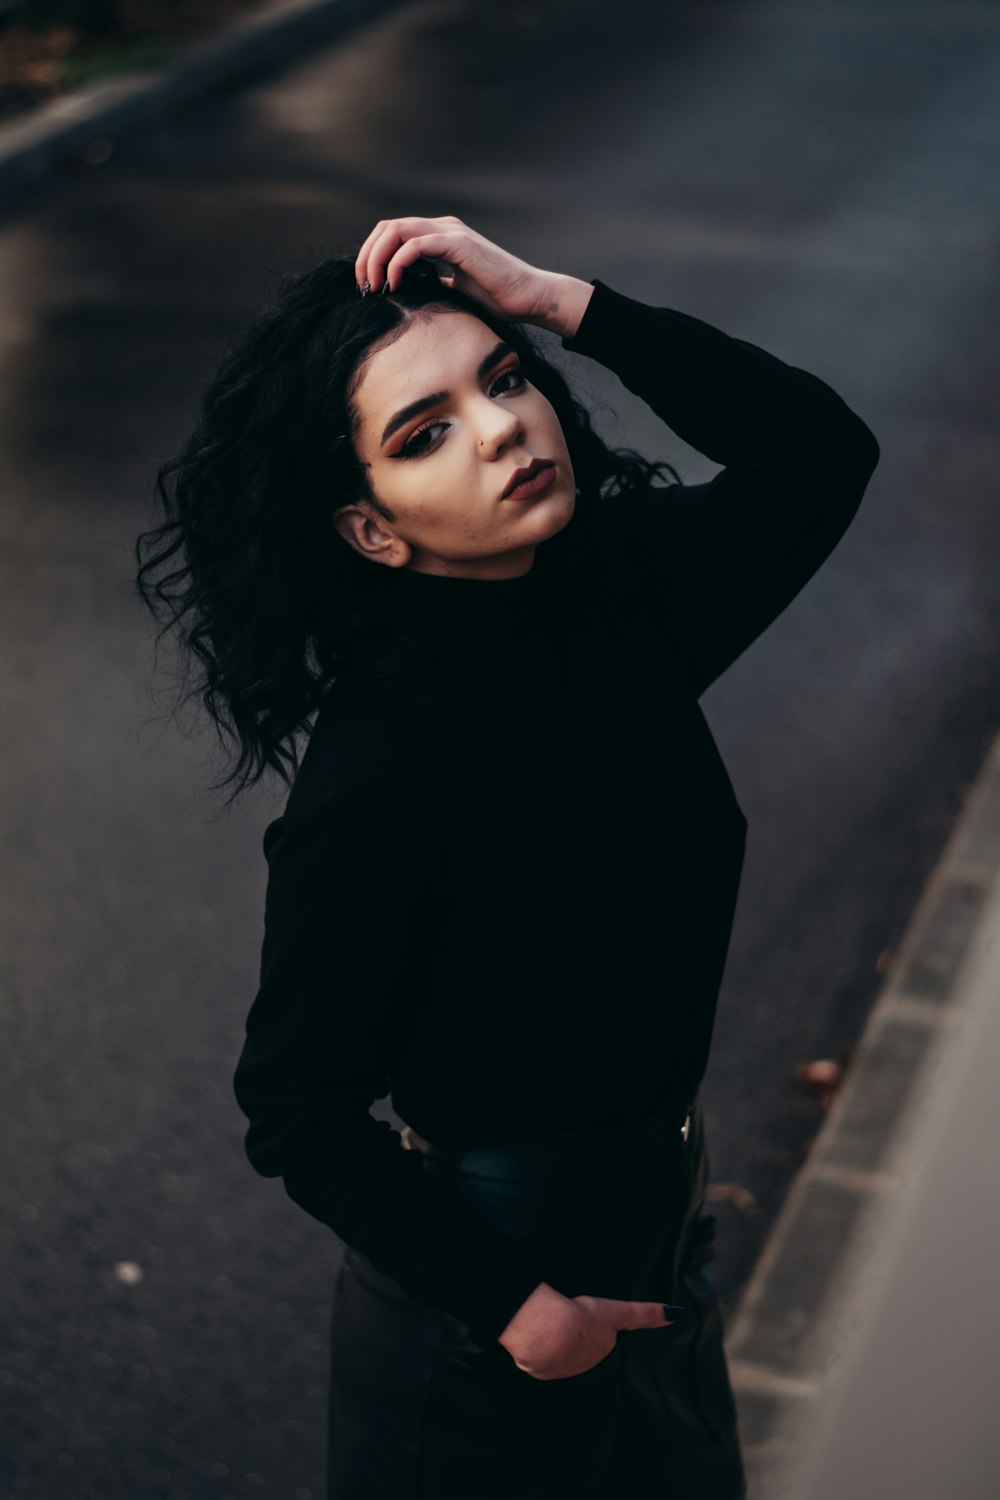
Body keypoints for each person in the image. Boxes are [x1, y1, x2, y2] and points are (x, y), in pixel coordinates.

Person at [134, 214, 879, 1498]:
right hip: (492, 1306)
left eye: (505, 377)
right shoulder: (384, 772)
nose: (501, 428)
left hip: (660, 1241)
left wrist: (555, 299)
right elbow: (297, 1110)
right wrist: (525, 1310)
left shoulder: (615, 599)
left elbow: (817, 451)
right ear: (373, 531)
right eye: (423, 434)